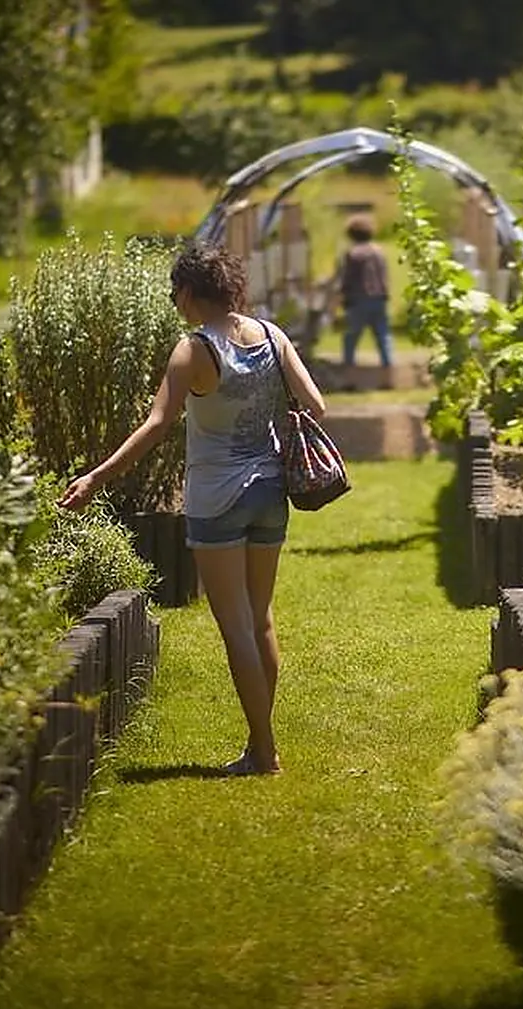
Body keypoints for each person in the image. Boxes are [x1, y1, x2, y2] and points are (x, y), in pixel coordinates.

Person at [58, 241, 327, 776]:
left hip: (217, 498)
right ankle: (258, 746)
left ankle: (264, 751)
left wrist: (95, 477)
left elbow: (157, 425)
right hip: (272, 490)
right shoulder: (272, 335)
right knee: (260, 618)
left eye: (175, 293)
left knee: (235, 626)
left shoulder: (193, 350)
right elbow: (316, 404)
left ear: (186, 292)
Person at [333, 214, 391, 368]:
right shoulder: (378, 251)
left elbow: (347, 278)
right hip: (379, 297)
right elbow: (384, 274)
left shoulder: (353, 253)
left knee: (351, 336)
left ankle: (348, 366)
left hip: (359, 299)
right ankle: (388, 366)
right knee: (383, 335)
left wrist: (342, 296)